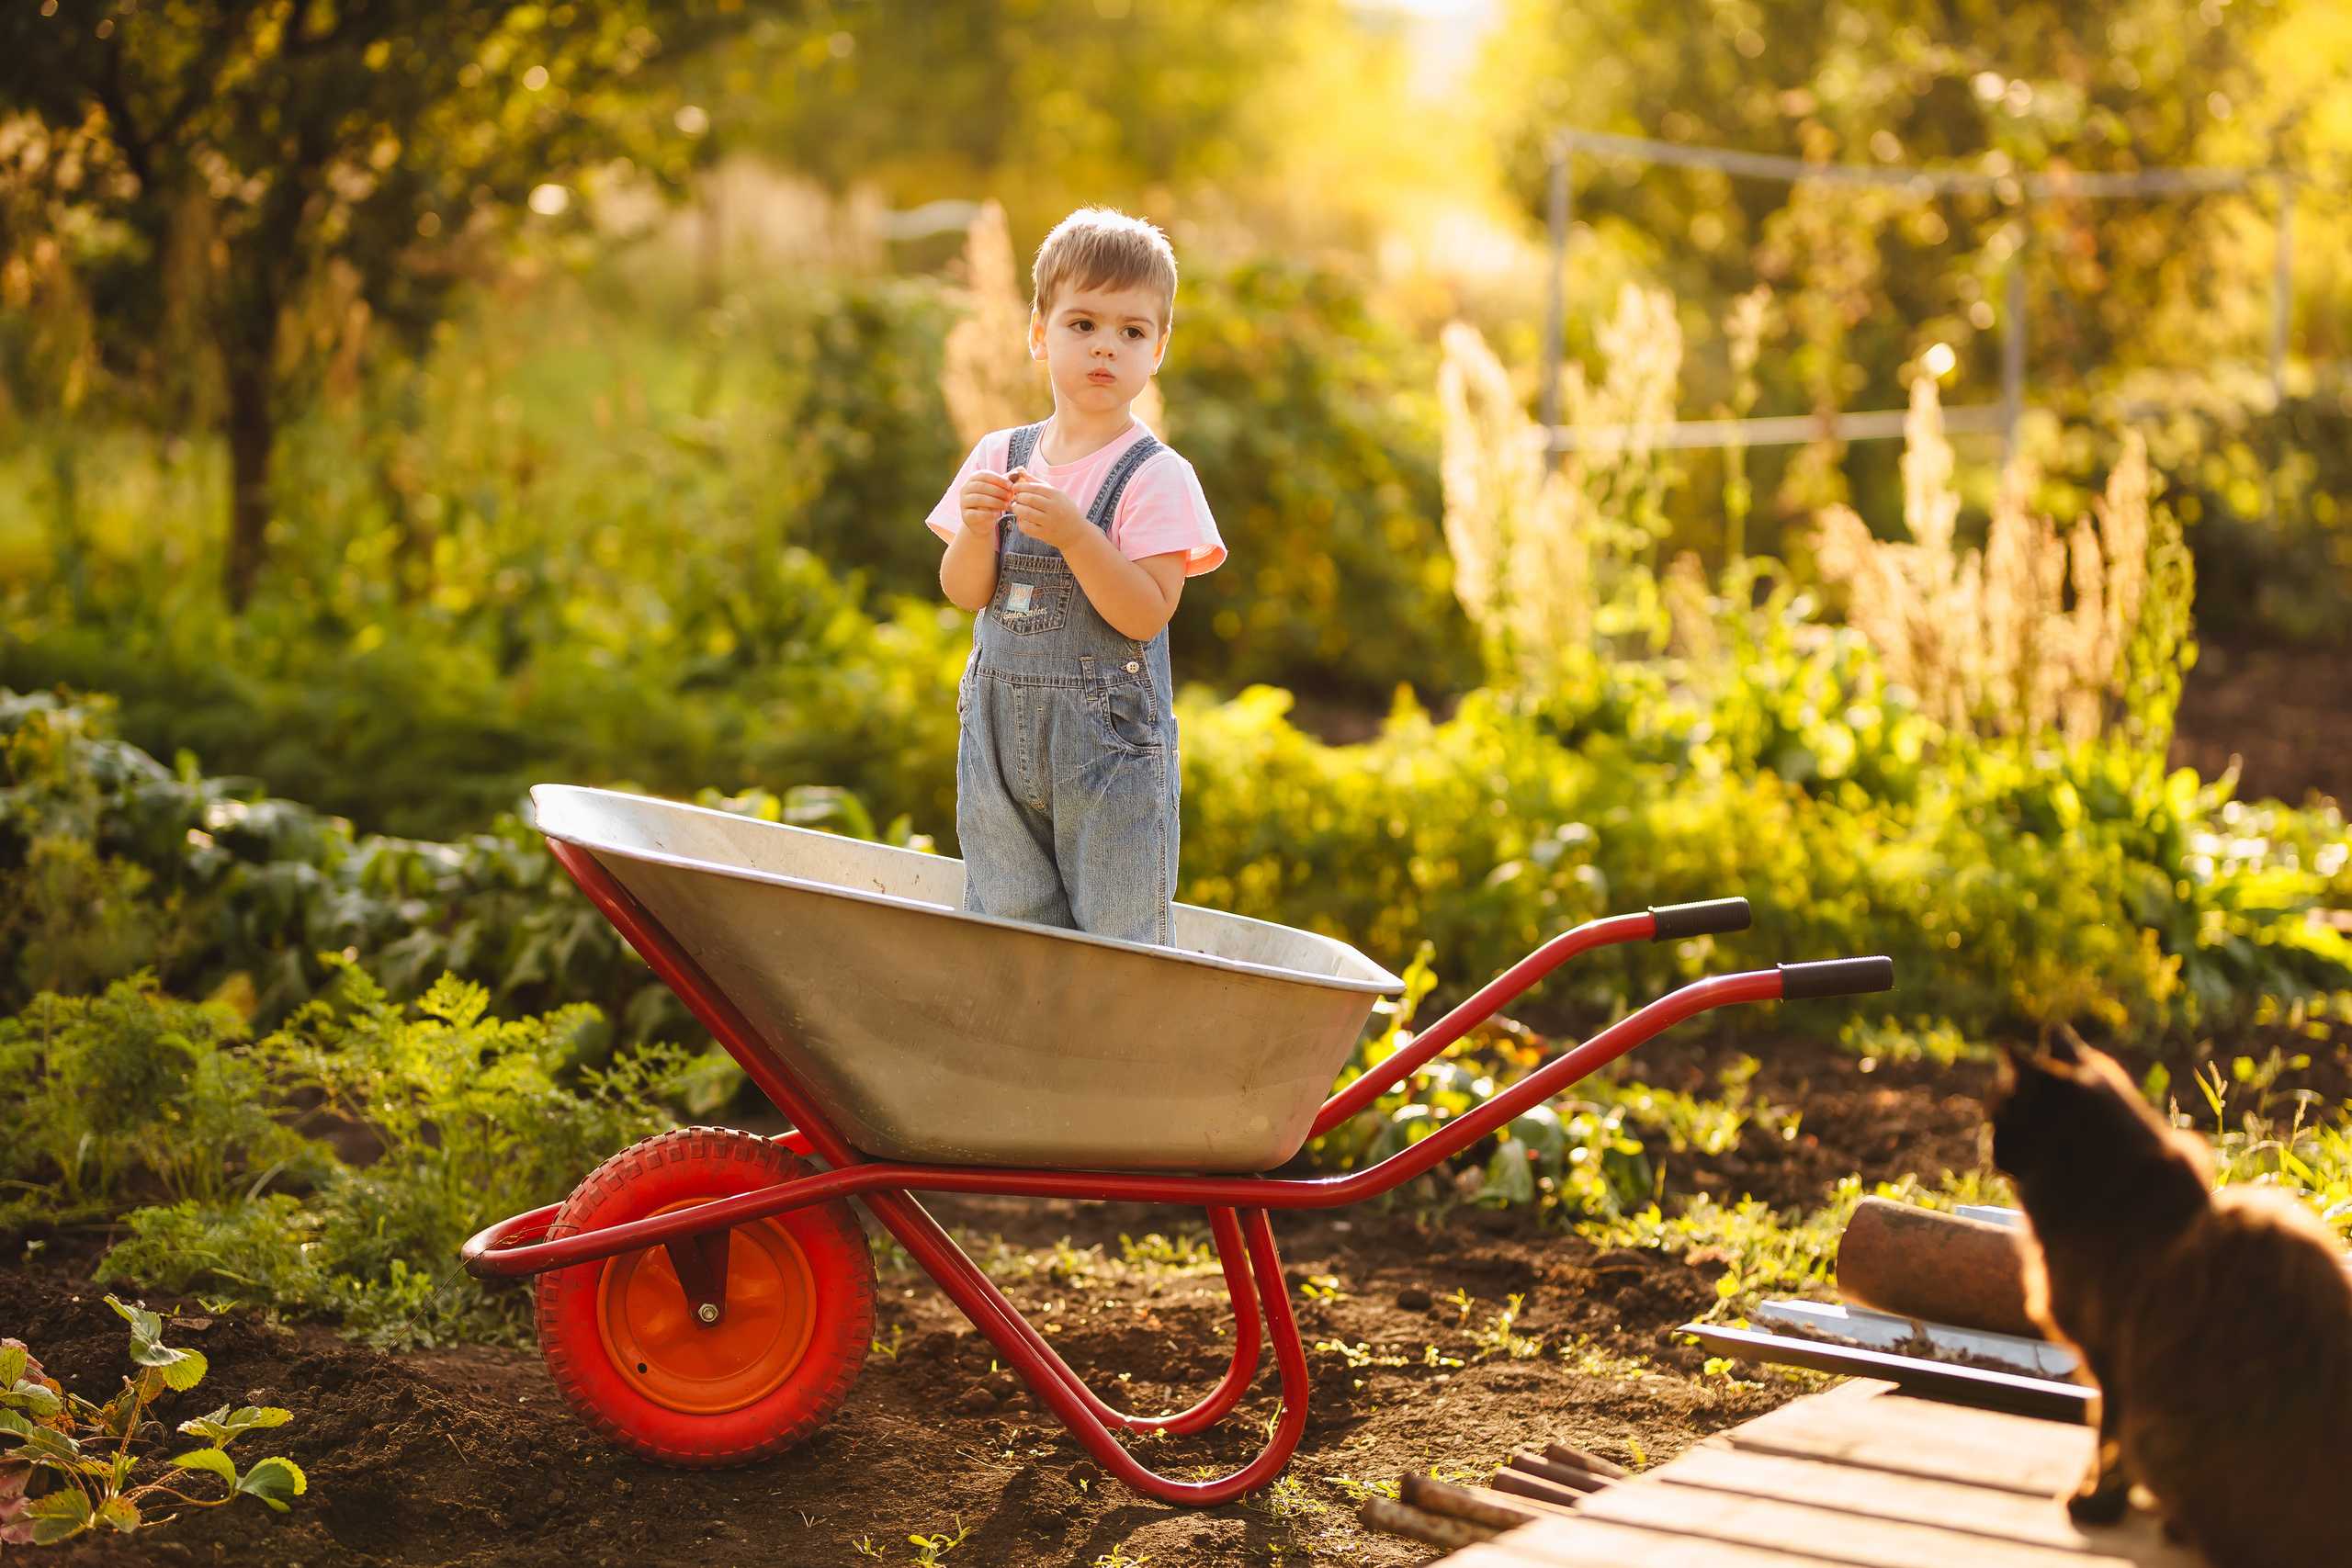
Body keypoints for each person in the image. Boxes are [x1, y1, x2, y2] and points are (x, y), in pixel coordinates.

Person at [926, 209, 1226, 946]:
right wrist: (976, 529)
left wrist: (1076, 535)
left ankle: (1118, 1024)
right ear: (1039, 333)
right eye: (1082, 323)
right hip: (997, 748)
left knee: (1119, 936)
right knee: (1010, 928)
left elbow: (1147, 611)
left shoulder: (1155, 475)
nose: (1105, 346)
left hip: (1107, 763)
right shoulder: (1000, 455)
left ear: (1158, 349)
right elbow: (965, 591)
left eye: (1132, 331)